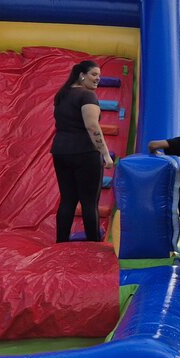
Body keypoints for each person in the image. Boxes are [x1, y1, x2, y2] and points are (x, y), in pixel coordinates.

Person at [51, 60, 113, 243]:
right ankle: (93, 245)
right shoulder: (87, 96)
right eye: (94, 74)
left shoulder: (62, 95)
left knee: (67, 200)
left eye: (99, 75)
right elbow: (92, 126)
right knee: (89, 202)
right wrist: (105, 154)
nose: (98, 79)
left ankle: (61, 242)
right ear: (82, 75)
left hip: (61, 151)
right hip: (84, 152)